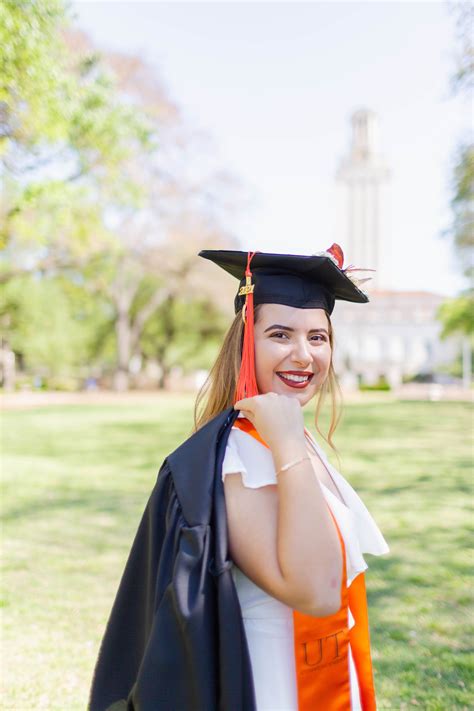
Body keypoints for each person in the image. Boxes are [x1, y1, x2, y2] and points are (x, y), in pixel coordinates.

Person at [88, 245, 389, 711]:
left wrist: (291, 440)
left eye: (318, 337)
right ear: (245, 341)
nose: (303, 355)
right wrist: (288, 441)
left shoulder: (296, 442)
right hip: (273, 691)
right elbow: (317, 592)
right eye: (280, 334)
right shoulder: (236, 457)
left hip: (329, 685)